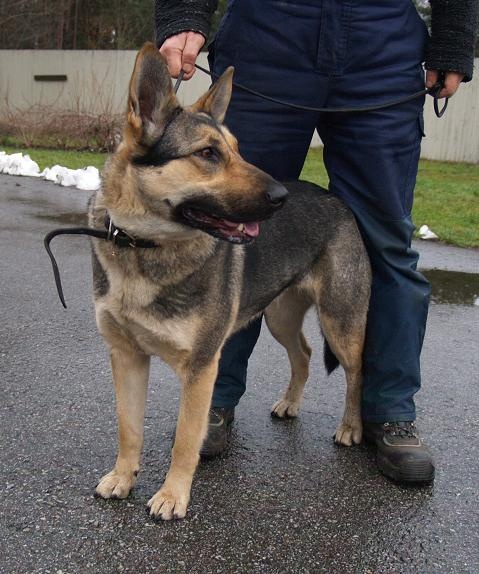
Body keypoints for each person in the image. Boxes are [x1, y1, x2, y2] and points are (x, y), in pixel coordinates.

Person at [155, 0, 478, 482]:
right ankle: (214, 399)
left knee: (387, 243)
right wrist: (184, 15)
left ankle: (390, 409)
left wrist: (453, 39)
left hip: (381, 41)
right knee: (227, 225)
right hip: (269, 31)